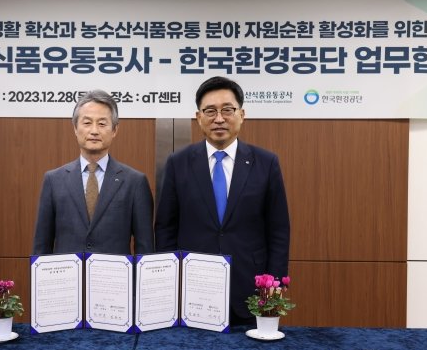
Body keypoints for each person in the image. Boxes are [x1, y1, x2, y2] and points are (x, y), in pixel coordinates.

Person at [155, 76, 290, 325]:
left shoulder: (266, 162)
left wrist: (274, 286)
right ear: (198, 117)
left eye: (227, 110)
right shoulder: (178, 163)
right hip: (192, 291)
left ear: (242, 114)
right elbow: (165, 228)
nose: (219, 119)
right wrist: (168, 283)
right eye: (210, 111)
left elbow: (278, 230)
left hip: (250, 289)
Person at [33, 90, 154, 256]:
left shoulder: (135, 182)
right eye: (87, 123)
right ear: (75, 128)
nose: (94, 131)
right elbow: (41, 246)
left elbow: (145, 248)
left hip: (115, 273)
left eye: (102, 124)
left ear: (115, 130)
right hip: (68, 273)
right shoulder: (53, 181)